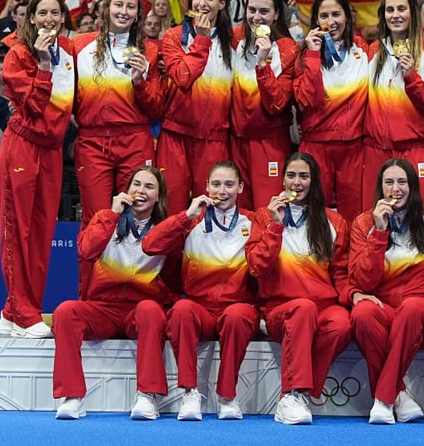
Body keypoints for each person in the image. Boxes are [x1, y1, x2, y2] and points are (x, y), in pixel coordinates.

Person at [52, 166, 173, 420]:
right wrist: (112, 214)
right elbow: (86, 251)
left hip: (138, 312)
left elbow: (175, 277)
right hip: (102, 309)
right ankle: (72, 397)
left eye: (149, 187)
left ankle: (147, 395)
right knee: (65, 312)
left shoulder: (164, 229)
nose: (141, 191)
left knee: (151, 310)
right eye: (136, 184)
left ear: (158, 197)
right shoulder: (105, 218)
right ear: (126, 190)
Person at [142, 161, 259, 421]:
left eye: (229, 184)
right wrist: (186, 215)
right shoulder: (191, 220)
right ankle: (189, 392)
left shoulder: (253, 220)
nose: (222, 191)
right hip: (200, 308)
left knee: (237, 316)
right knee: (181, 310)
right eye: (216, 184)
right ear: (206, 187)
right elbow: (150, 245)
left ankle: (228, 397)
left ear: (240, 187)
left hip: (238, 306)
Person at [245, 152, 352, 425]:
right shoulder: (264, 217)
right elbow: (257, 268)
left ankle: (300, 394)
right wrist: (276, 226)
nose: (297, 182)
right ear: (282, 181)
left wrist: (355, 295)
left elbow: (340, 271)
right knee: (303, 309)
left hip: (324, 308)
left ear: (314, 181)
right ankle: (291, 393)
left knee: (342, 324)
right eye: (291, 175)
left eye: (304, 176)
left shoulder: (333, 221)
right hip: (280, 309)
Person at [0, 0, 76, 339]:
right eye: (42, 13)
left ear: (63, 17)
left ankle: (13, 312)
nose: (49, 19)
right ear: (31, 18)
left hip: (52, 151)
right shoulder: (18, 54)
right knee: (19, 233)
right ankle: (25, 314)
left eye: (55, 13)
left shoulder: (69, 50)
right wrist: (43, 65)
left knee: (41, 236)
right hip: (22, 148)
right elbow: (30, 107)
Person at [349, 158, 424, 424]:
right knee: (362, 313)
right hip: (387, 309)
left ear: (412, 186)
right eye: (389, 182)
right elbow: (363, 282)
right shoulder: (364, 223)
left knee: (411, 307)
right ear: (380, 188)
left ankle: (383, 399)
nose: (396, 189)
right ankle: (399, 395)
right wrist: (379, 233)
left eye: (402, 182)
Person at [73, 0, 162, 235]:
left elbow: (156, 108)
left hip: (135, 140)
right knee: (95, 219)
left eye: (130, 7)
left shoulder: (150, 51)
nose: (123, 11)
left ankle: (132, 264)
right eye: (118, 5)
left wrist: (139, 81)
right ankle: (93, 264)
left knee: (138, 216)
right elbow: (68, 95)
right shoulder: (79, 45)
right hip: (92, 142)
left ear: (138, 13)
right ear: (107, 8)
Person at [364, 0, 424, 207]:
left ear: (413, 12)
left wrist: (412, 76)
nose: (395, 15)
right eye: (390, 10)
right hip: (376, 150)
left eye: (401, 9)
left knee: (418, 218)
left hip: (416, 149)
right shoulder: (372, 51)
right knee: (376, 217)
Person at [159, 0, 233, 211]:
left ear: (222, 3)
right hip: (176, 136)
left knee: (211, 208)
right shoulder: (173, 36)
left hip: (214, 138)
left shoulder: (233, 42)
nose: (202, 3)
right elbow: (183, 77)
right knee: (171, 209)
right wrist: (201, 39)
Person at [295, 0, 370, 221]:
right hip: (316, 145)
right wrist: (313, 55)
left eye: (336, 14)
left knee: (354, 215)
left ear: (347, 16)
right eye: (324, 16)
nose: (330, 22)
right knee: (313, 215)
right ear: (315, 20)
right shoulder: (304, 54)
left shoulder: (362, 48)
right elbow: (308, 99)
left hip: (353, 145)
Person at [230, 0, 297, 210]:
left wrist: (262, 63)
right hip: (236, 141)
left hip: (270, 143)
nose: (256, 17)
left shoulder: (288, 49)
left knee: (268, 210)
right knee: (240, 211)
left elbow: (276, 104)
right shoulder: (235, 38)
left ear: (276, 14)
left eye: (264, 11)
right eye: (252, 10)